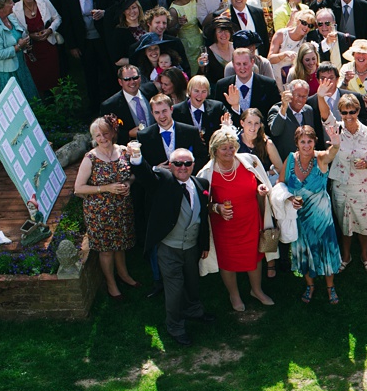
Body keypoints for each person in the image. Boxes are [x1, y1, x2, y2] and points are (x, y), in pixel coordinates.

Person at [128, 144, 214, 346]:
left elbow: (202, 217)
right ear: (170, 165)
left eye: (187, 163)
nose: (182, 167)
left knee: (192, 282)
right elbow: (145, 175)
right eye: (177, 163)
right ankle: (175, 326)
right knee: (174, 289)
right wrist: (137, 157)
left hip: (191, 247)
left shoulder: (201, 184)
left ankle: (194, 310)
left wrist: (203, 244)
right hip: (169, 248)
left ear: (193, 164)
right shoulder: (163, 182)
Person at [195, 126, 277, 312]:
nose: (229, 151)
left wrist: (260, 191)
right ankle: (234, 295)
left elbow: (259, 184)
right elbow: (201, 206)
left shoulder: (249, 161)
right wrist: (217, 208)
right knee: (227, 261)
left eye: (232, 147)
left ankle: (257, 290)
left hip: (250, 220)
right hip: (224, 227)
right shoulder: (206, 173)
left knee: (255, 257)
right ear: (214, 150)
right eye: (224, 148)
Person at [72, 115, 140, 302]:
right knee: (106, 250)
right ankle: (111, 283)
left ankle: (124, 275)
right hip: (99, 212)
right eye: (97, 135)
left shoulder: (124, 151)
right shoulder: (90, 159)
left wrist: (128, 183)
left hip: (121, 208)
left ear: (112, 133)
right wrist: (106, 188)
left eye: (105, 133)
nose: (102, 138)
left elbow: (133, 175)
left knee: (121, 245)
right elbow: (78, 188)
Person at [284, 122, 344, 303]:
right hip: (300, 216)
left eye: (310, 141)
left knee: (325, 249)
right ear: (297, 143)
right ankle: (310, 285)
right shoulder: (290, 160)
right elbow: (280, 185)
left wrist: (336, 143)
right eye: (302, 142)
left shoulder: (320, 159)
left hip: (321, 217)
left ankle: (330, 287)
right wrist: (288, 199)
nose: (306, 146)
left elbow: (332, 153)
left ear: (314, 142)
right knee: (305, 250)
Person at [325, 95, 367, 269]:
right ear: (340, 113)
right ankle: (346, 255)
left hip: (364, 186)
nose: (348, 115)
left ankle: (365, 255)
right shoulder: (336, 130)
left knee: (364, 223)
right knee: (345, 223)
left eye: (352, 111)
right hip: (342, 185)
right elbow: (324, 115)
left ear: (358, 110)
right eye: (344, 112)